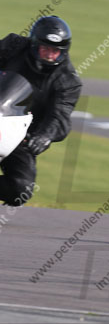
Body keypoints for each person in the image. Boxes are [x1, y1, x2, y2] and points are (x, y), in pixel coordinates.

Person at [0, 16, 82, 206]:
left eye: (55, 50)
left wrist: (44, 136)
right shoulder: (13, 46)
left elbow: (60, 117)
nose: (50, 54)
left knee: (21, 188)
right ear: (33, 43)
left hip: (18, 135)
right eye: (45, 48)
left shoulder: (68, 82)